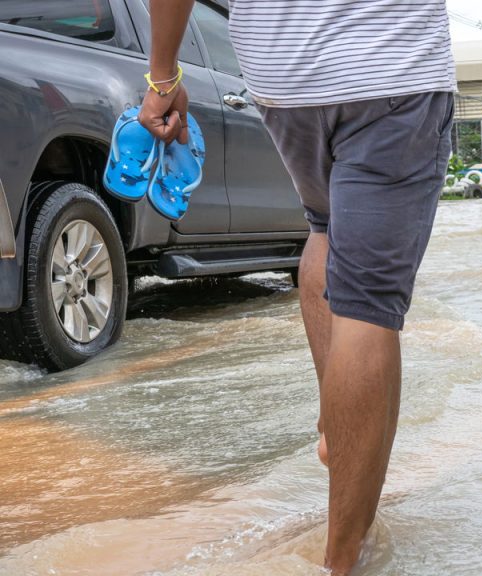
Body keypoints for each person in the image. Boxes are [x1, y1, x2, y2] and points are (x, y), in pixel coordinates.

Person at [138, 1, 455, 573]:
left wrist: (163, 77)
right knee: (369, 306)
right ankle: (342, 559)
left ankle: (337, 426)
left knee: (324, 227)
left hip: (286, 80)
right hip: (390, 69)